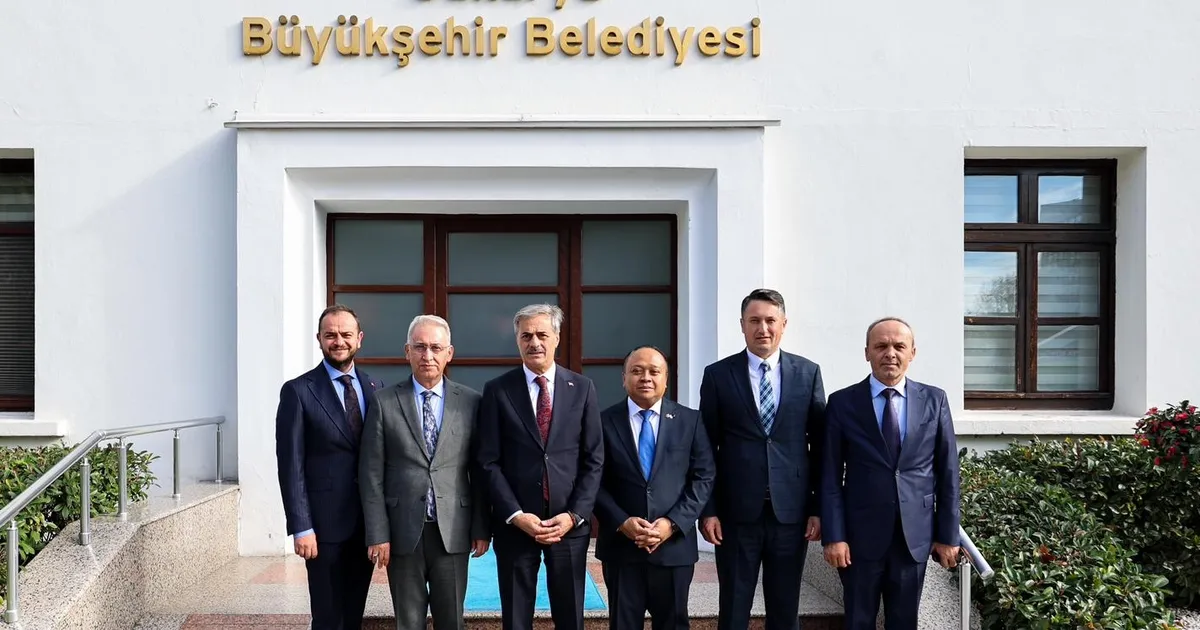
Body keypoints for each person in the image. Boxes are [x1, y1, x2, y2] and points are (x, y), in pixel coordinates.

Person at [820, 317, 961, 630]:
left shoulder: (934, 400)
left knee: (904, 623)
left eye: (899, 346)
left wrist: (947, 535)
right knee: (858, 621)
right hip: (858, 540)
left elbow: (948, 472)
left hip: (914, 539)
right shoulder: (842, 403)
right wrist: (834, 536)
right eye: (881, 346)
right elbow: (829, 477)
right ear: (867, 352)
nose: (890, 353)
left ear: (913, 352)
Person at [698, 288, 827, 630]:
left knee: (785, 609)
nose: (763, 328)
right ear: (742, 325)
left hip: (791, 515)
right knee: (733, 608)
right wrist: (708, 510)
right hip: (735, 515)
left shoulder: (808, 373)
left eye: (771, 320)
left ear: (784, 324)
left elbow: (820, 447)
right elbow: (705, 447)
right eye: (754, 321)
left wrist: (818, 508)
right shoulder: (718, 375)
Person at [475, 303, 604, 630]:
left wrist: (574, 515)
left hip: (568, 525)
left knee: (570, 617)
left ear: (557, 338)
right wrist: (516, 515)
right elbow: (488, 461)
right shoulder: (498, 390)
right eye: (526, 336)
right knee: (516, 619)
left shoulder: (583, 388)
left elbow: (593, 459)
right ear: (517, 340)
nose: (535, 342)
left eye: (542, 335)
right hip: (516, 526)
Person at [358, 315, 491, 630]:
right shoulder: (384, 402)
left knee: (452, 621)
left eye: (435, 347)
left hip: (453, 530)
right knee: (408, 622)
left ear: (449, 353)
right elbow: (371, 474)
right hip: (402, 531)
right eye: (419, 347)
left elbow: (480, 471)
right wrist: (378, 534)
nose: (427, 355)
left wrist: (481, 527)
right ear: (407, 351)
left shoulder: (471, 402)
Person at [275, 304, 383, 630]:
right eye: (330, 335)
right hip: (323, 529)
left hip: (365, 526)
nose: (339, 341)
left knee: (353, 615)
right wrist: (301, 527)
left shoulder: (375, 387)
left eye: (346, 334)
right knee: (327, 617)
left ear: (359, 338)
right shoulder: (298, 391)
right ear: (319, 339)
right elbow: (290, 465)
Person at [594, 346, 715, 630]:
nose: (645, 377)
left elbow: (704, 477)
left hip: (674, 548)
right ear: (624, 378)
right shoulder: (602, 422)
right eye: (636, 371)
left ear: (666, 379)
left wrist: (672, 523)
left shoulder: (690, 421)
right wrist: (621, 521)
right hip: (622, 548)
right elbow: (593, 481)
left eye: (654, 371)